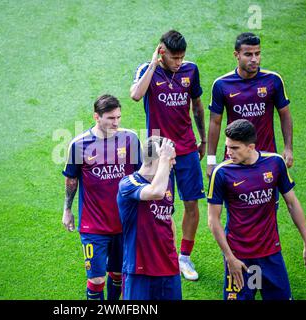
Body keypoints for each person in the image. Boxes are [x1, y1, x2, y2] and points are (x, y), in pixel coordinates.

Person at [207, 119, 306, 300]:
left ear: (251, 147)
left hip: (270, 255)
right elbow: (213, 220)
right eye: (227, 147)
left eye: (234, 148)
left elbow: (292, 203)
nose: (228, 152)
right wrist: (229, 258)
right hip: (239, 258)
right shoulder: (222, 173)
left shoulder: (275, 163)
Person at [130, 30, 206, 281]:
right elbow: (135, 95)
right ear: (162, 53)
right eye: (174, 57)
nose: (179, 62)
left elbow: (197, 106)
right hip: (154, 148)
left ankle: (184, 257)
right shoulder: (147, 69)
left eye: (182, 57)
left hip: (185, 147)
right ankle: (164, 254)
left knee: (192, 203)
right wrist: (153, 62)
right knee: (159, 205)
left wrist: (203, 138)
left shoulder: (190, 70)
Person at [62, 94, 141, 300]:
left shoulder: (130, 139)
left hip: (124, 224)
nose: (116, 122)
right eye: (110, 118)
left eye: (118, 117)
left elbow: (142, 176)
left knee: (118, 275)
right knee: (97, 280)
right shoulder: (79, 145)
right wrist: (67, 210)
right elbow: (71, 180)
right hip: (93, 226)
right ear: (96, 117)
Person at [207, 32, 294, 177]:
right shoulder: (221, 84)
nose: (254, 59)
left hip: (266, 156)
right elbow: (215, 123)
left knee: (267, 199)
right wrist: (211, 161)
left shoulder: (273, 80)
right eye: (248, 54)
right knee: (234, 199)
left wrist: (288, 148)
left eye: (257, 53)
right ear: (237, 55)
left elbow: (285, 114)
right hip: (234, 158)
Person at [117, 136, 181, 300]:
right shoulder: (128, 183)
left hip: (169, 267)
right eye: (171, 159)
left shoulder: (166, 180)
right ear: (157, 160)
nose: (173, 163)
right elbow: (156, 192)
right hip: (140, 269)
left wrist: (173, 255)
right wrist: (164, 159)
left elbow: (168, 218)